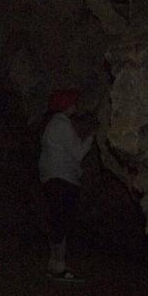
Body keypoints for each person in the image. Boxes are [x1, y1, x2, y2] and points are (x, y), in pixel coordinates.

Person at [39, 88, 93, 282]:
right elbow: (77, 153)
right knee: (62, 221)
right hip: (62, 179)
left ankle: (54, 264)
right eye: (73, 102)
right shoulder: (61, 125)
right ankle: (59, 266)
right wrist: (92, 138)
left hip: (53, 178)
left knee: (57, 221)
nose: (75, 105)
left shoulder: (51, 126)